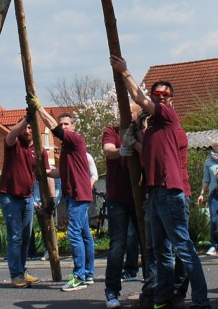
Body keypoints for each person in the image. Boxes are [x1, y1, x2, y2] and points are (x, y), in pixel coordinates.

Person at [110, 56, 210, 309]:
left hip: (170, 190)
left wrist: (125, 73)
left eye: (165, 94)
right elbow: (146, 150)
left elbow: (139, 99)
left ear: (171, 100)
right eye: (157, 94)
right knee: (160, 251)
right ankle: (163, 298)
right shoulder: (154, 128)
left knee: (183, 248)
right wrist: (132, 140)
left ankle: (201, 301)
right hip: (155, 193)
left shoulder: (168, 117)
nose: (161, 97)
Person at [31, 101, 94, 292]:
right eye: (63, 124)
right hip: (74, 194)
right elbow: (62, 172)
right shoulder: (67, 149)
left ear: (72, 127)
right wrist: (45, 171)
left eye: (67, 124)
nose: (64, 127)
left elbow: (54, 128)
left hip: (78, 195)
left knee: (74, 234)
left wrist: (39, 109)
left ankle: (79, 276)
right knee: (84, 235)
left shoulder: (75, 139)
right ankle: (88, 274)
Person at [101, 114, 143, 309]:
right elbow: (108, 151)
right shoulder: (112, 131)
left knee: (148, 243)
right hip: (118, 198)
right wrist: (121, 151)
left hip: (141, 197)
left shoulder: (143, 133)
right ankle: (111, 291)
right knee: (118, 245)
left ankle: (152, 286)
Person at [0, 112, 40, 288]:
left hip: (27, 197)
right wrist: (26, 119)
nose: (27, 130)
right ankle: (15, 274)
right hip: (10, 196)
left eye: (30, 127)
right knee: (15, 237)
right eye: (25, 127)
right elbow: (11, 134)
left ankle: (22, 270)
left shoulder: (36, 150)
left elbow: (45, 173)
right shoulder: (13, 144)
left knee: (25, 237)